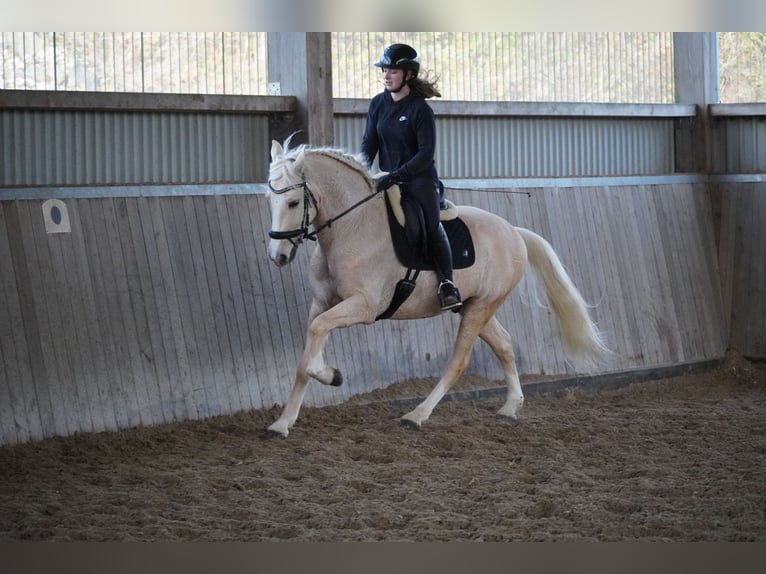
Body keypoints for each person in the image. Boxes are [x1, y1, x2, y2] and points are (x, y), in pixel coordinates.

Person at [361, 43, 462, 312]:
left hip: (419, 181)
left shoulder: (420, 110)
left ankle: (447, 284)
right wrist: (363, 172)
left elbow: (425, 155)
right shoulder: (378, 104)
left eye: (393, 70)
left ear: (408, 74)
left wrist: (397, 175)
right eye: (384, 69)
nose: (386, 74)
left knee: (429, 225)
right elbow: (368, 144)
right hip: (385, 179)